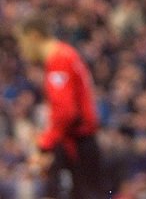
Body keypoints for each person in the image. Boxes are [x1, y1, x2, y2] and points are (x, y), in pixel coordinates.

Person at [14, 13, 102, 199]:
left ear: (34, 36)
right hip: (81, 142)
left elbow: (66, 113)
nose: (22, 51)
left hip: (77, 144)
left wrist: (45, 142)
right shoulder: (66, 53)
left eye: (22, 43)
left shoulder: (58, 60)